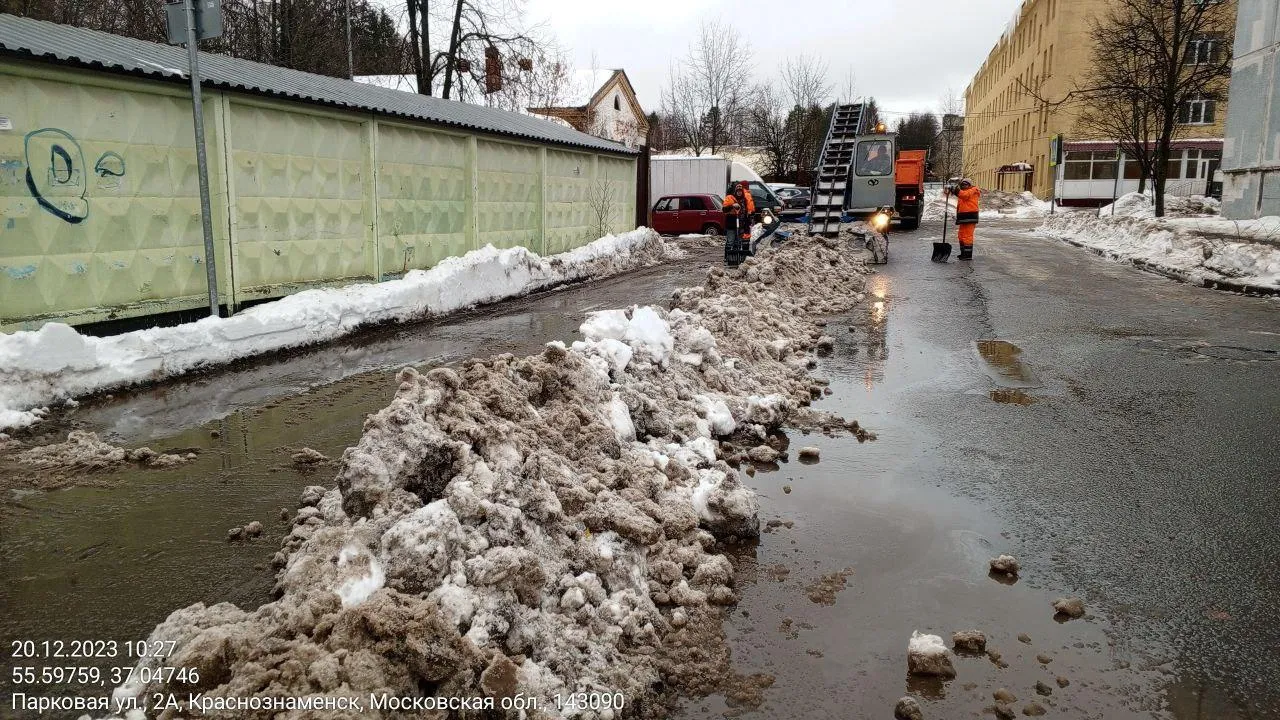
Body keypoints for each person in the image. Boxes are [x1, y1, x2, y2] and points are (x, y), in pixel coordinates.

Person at [947, 178, 981, 260]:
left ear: (969, 185)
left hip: (970, 217)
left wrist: (955, 189)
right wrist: (951, 191)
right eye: (962, 184)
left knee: (967, 236)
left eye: (966, 184)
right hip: (964, 217)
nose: (964, 186)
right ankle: (963, 253)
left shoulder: (973, 190)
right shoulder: (964, 192)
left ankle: (967, 255)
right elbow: (961, 195)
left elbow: (964, 195)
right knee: (961, 235)